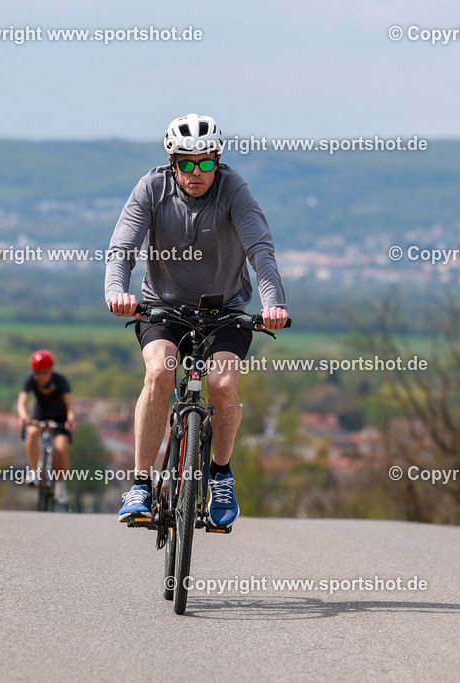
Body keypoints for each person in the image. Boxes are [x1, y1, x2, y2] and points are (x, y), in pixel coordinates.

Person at [105, 113, 289, 528]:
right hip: (162, 308)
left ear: (217, 161)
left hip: (224, 310)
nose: (196, 172)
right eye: (186, 163)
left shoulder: (234, 189)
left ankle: (220, 475)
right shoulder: (151, 188)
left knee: (223, 385)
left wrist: (274, 303)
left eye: (205, 162)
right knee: (159, 374)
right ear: (172, 163)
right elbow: (122, 248)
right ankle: (141, 484)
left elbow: (261, 249)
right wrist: (117, 293)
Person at [17, 349, 76, 505]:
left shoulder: (60, 380)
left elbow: (70, 403)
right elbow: (22, 400)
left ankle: (61, 486)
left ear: (51, 370)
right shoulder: (30, 379)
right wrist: (24, 416)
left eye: (44, 372)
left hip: (60, 418)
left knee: (61, 447)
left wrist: (70, 419)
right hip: (40, 415)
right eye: (37, 373)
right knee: (32, 432)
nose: (41, 377)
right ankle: (34, 471)